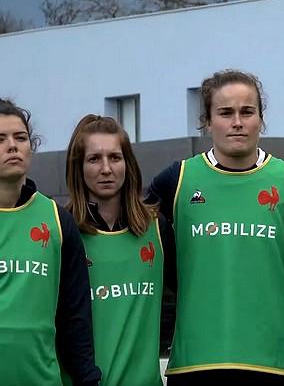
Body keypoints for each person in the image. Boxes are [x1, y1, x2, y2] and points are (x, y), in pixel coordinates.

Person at [146, 70, 284, 385]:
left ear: (261, 119)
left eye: (247, 112)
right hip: (196, 363)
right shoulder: (177, 180)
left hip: (275, 363)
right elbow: (128, 238)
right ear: (207, 121)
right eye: (225, 113)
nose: (237, 122)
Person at [64, 115, 174, 386]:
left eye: (114, 157)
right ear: (78, 167)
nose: (106, 169)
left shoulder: (157, 228)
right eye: (94, 159)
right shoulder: (62, 232)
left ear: (128, 164)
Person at [0, 98, 101, 385]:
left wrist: (87, 379)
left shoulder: (58, 221)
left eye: (21, 137)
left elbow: (75, 316)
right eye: (1, 139)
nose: (13, 146)